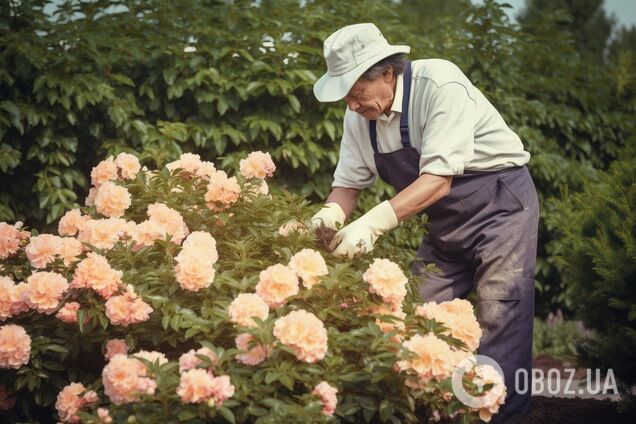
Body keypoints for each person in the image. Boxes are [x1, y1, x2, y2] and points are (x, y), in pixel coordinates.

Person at [311, 23, 539, 423]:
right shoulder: (360, 118)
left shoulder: (440, 84)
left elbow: (438, 180)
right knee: (416, 317)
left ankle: (502, 416)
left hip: (502, 205)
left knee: (500, 313)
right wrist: (324, 219)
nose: (350, 104)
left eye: (356, 92)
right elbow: (347, 185)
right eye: (344, 95)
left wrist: (370, 225)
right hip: (446, 220)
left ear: (386, 72)